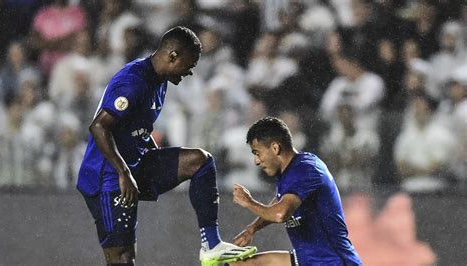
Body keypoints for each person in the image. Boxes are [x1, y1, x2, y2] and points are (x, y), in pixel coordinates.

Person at [77, 26, 256, 266]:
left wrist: (155, 159)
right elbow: (99, 127)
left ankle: (211, 246)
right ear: (173, 56)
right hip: (107, 176)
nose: (190, 72)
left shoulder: (159, 80)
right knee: (121, 257)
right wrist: (123, 172)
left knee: (200, 162)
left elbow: (137, 126)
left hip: (135, 164)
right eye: (189, 65)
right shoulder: (133, 81)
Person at [231, 117, 362, 265]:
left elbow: (281, 213)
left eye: (257, 153)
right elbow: (280, 202)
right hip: (307, 260)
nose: (256, 161)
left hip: (334, 262)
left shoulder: (306, 169)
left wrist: (249, 202)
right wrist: (252, 228)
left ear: (275, 148)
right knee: (240, 264)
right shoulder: (289, 172)